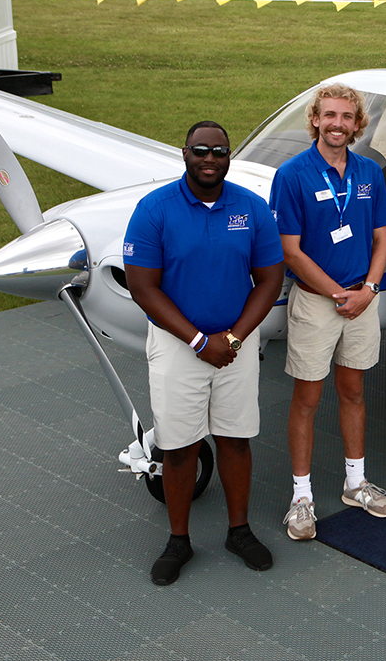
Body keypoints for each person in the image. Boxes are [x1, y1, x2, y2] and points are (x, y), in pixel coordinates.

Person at [124, 120, 284, 586]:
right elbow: (142, 287)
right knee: (178, 446)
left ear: (228, 155)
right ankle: (178, 540)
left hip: (236, 344)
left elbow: (269, 280)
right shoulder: (154, 210)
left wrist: (232, 339)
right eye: (200, 150)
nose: (210, 158)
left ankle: (239, 531)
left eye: (219, 150)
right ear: (185, 154)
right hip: (179, 346)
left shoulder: (252, 208)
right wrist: (199, 341)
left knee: (235, 439)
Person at [269, 84, 386, 540]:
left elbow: (382, 237)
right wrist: (340, 295)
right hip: (318, 303)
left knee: (354, 391)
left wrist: (369, 289)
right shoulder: (293, 174)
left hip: (363, 297)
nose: (337, 123)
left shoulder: (369, 172)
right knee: (306, 399)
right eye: (329, 115)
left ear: (357, 123)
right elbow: (291, 251)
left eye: (346, 116)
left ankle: (355, 484)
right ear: (316, 121)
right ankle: (301, 496)